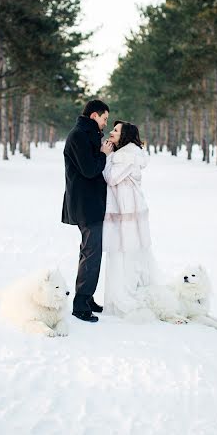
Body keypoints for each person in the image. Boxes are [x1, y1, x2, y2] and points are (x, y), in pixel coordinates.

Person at [62, 100, 113, 322]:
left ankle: (87, 296)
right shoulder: (78, 136)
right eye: (104, 119)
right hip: (85, 204)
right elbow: (90, 169)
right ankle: (80, 304)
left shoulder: (88, 134)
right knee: (91, 253)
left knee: (90, 252)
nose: (105, 124)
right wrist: (103, 154)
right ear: (94, 116)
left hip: (91, 202)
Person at [102, 120, 157, 319]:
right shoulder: (125, 154)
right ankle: (122, 297)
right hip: (126, 210)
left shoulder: (126, 155)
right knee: (124, 256)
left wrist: (106, 157)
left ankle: (127, 299)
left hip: (127, 213)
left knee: (124, 256)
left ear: (124, 135)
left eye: (115, 130)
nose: (111, 132)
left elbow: (111, 178)